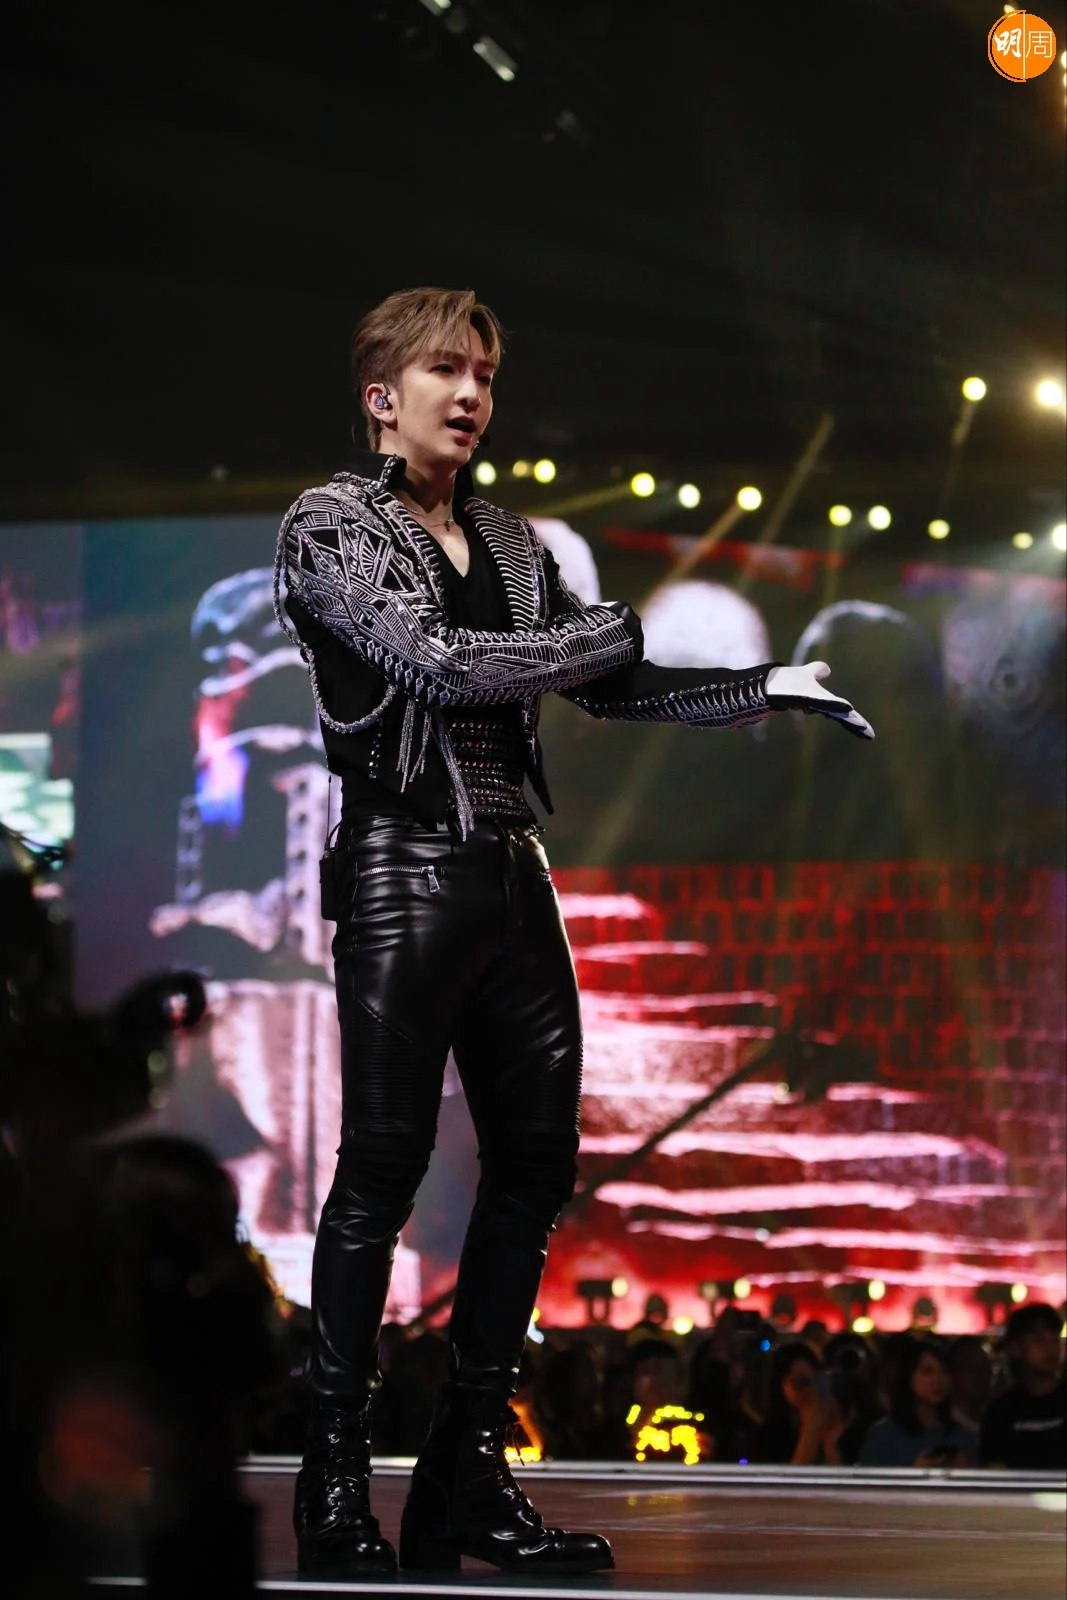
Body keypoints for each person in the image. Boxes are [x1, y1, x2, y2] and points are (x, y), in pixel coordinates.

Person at [273, 286, 874, 1577]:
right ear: (382, 394)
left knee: (537, 1167)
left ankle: (464, 1481)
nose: (470, 393)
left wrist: (763, 684)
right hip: (400, 865)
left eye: (483, 373)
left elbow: (608, 686)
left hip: (511, 872)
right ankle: (332, 1480)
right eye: (445, 369)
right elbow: (441, 664)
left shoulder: (505, 535)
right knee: (379, 1169)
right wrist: (599, 631)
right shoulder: (330, 525)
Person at [859, 1338, 976, 1468]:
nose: (937, 1380)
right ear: (909, 1375)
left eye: (944, 1372)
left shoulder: (961, 1435)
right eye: (928, 1372)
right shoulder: (883, 1435)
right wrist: (914, 1473)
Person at [979, 1303, 1065, 1470]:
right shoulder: (1001, 1412)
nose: (1050, 1349)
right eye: (1039, 1341)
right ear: (1015, 1348)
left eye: (1054, 1340)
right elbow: (994, 1471)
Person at [751, 1341, 847, 1465]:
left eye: (816, 1380)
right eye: (800, 1383)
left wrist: (830, 1444)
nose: (809, 1390)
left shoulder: (836, 1419)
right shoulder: (770, 1433)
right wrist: (811, 1426)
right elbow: (789, 1475)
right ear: (781, 1385)